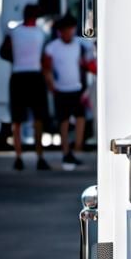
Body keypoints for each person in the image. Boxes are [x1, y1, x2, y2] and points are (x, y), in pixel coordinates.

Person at [3, 3, 51, 171]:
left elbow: (3, 52)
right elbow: (45, 58)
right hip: (35, 76)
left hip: (18, 75)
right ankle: (40, 157)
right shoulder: (41, 33)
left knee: (17, 120)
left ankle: (18, 157)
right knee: (38, 119)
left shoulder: (14, 32)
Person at [43, 14, 92, 169]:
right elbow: (47, 68)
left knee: (80, 118)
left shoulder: (79, 45)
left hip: (77, 88)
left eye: (72, 29)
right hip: (61, 89)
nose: (70, 33)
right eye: (67, 30)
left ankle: (77, 147)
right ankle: (66, 151)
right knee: (63, 121)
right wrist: (51, 85)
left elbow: (85, 63)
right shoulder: (52, 47)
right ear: (60, 31)